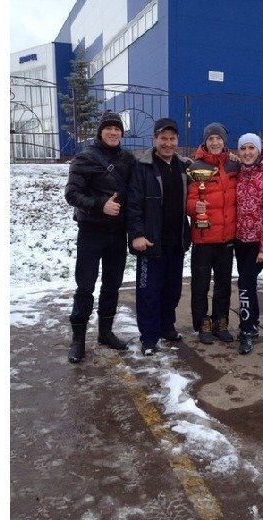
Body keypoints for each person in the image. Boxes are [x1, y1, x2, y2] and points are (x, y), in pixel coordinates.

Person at [64, 110, 136, 363]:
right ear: (101, 131)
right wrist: (100, 205)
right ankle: (78, 340)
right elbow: (72, 194)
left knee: (112, 285)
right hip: (91, 232)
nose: (113, 132)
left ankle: (105, 332)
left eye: (117, 129)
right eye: (109, 128)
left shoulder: (128, 159)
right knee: (85, 286)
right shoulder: (84, 158)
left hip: (117, 233)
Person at [127, 118, 193, 356]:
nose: (167, 143)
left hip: (176, 241)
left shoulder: (184, 166)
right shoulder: (142, 166)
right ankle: (149, 337)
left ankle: (167, 326)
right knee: (149, 292)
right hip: (150, 242)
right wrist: (137, 234)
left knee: (172, 289)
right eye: (163, 138)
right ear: (154, 139)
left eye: (172, 139)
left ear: (177, 140)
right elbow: (133, 204)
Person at [186, 122, 240, 344]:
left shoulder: (234, 165)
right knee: (200, 284)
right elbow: (188, 200)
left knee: (223, 284)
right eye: (211, 139)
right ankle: (202, 323)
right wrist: (194, 207)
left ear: (224, 141)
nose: (215, 142)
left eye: (218, 138)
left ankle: (221, 321)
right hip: (203, 238)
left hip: (227, 237)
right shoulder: (195, 167)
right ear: (205, 142)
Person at [234, 133, 263, 354]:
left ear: (259, 150)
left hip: (258, 243)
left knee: (244, 283)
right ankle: (252, 323)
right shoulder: (239, 173)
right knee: (249, 283)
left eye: (251, 148)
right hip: (239, 240)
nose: (247, 152)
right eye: (243, 148)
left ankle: (246, 331)